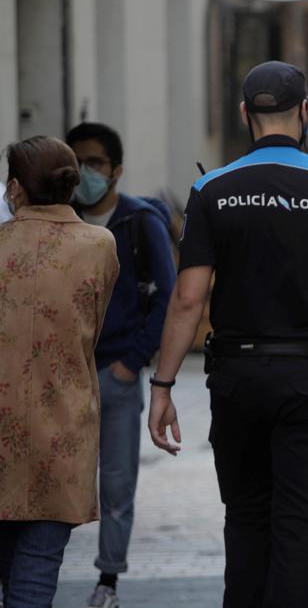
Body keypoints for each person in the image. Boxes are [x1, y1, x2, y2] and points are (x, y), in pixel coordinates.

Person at [146, 61, 308, 606]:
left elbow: (188, 299)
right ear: (305, 113)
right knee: (301, 532)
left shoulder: (211, 190)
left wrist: (162, 387)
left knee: (247, 520)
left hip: (238, 379)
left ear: (243, 115)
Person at [0, 137, 119, 608]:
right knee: (36, 574)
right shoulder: (98, 244)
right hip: (62, 430)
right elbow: (93, 326)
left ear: (14, 190)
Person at [66, 123, 177, 608]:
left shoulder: (139, 222)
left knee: (115, 483)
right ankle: (34, 569)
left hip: (116, 373)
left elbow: (170, 299)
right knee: (55, 482)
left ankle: (107, 579)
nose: (86, 173)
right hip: (64, 377)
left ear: (117, 171)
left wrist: (133, 363)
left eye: (95, 163)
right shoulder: (61, 220)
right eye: (78, 164)